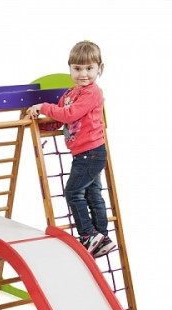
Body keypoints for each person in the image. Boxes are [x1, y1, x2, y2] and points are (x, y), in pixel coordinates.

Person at [27, 41, 116, 258]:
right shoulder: (69, 94)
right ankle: (101, 238)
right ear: (70, 68)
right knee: (92, 193)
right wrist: (41, 123)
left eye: (89, 68)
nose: (83, 74)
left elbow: (70, 114)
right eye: (77, 68)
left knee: (73, 192)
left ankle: (88, 235)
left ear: (99, 69)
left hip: (91, 153)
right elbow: (60, 119)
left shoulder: (92, 92)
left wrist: (43, 106)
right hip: (85, 154)